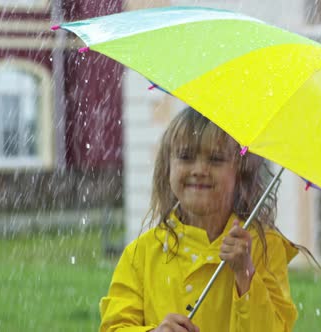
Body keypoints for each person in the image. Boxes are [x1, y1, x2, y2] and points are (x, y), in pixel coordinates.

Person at [100, 107, 299, 332]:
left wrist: (245, 274)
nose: (199, 170)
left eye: (215, 159)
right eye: (185, 157)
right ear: (167, 168)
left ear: (239, 172)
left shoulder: (264, 248)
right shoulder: (141, 255)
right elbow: (114, 326)